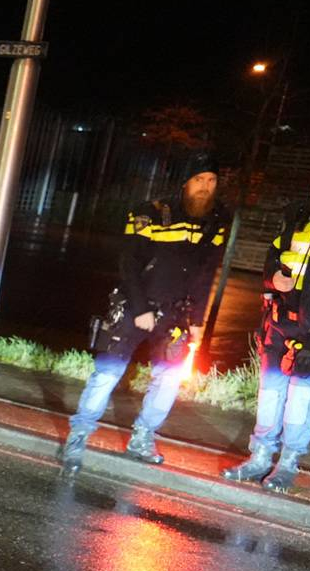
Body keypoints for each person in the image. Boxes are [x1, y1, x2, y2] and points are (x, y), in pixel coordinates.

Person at [60, 155, 228, 473]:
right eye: (199, 179)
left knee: (168, 379)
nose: (206, 187)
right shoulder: (149, 212)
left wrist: (196, 322)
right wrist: (140, 308)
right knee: (108, 372)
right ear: (184, 182)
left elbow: (207, 274)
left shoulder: (217, 220)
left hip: (177, 314)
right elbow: (129, 263)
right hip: (135, 306)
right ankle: (78, 437)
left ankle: (142, 438)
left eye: (212, 180)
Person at [222, 156, 310, 492]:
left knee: (301, 399)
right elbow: (273, 256)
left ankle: (287, 464)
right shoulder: (299, 216)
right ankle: (260, 458)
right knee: (270, 393)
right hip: (279, 323)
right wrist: (272, 278)